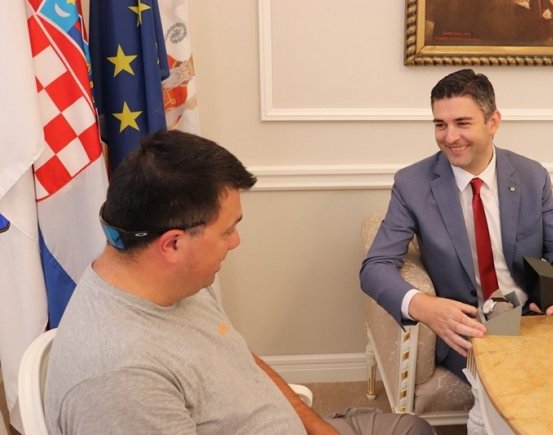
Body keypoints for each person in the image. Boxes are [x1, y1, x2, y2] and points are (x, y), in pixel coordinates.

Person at [43, 130, 433, 435]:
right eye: (227, 230)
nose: (235, 242)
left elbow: (241, 361)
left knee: (414, 428)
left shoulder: (176, 283)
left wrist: (318, 427)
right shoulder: (120, 383)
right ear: (173, 244)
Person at [360, 69, 553, 383]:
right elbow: (375, 267)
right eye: (440, 124)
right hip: (469, 328)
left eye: (462, 123)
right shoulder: (412, 184)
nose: (450, 137)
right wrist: (425, 307)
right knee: (514, 388)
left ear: (493, 122)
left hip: (534, 317)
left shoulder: (531, 176)